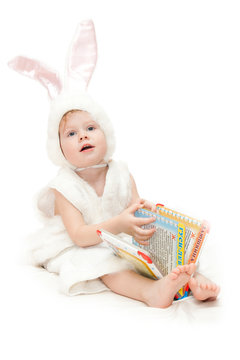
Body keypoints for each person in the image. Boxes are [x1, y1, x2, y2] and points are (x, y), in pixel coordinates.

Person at [9, 20, 219, 308]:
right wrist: (119, 224)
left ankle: (190, 280)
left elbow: (136, 207)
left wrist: (161, 222)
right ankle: (150, 293)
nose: (83, 135)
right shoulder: (63, 187)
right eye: (71, 133)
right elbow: (81, 236)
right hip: (81, 244)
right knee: (102, 264)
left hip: (121, 238)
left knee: (159, 250)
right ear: (58, 148)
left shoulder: (121, 172)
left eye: (90, 128)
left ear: (106, 133)